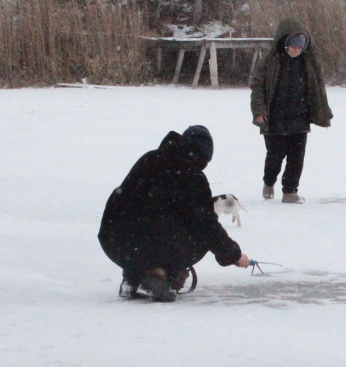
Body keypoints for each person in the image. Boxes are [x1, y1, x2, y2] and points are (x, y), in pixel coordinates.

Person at [98, 125, 251, 302]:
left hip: (114, 241)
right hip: (146, 245)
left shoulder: (149, 158)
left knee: (148, 226)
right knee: (198, 237)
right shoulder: (191, 175)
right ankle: (160, 277)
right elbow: (207, 226)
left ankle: (132, 278)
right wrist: (234, 255)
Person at [249, 18, 333, 203]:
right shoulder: (269, 62)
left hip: (299, 118)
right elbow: (258, 88)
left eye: (300, 46)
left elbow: (318, 90)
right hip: (274, 118)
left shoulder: (309, 64)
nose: (296, 50)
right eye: (292, 46)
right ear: (283, 42)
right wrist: (259, 111)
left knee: (296, 158)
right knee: (275, 156)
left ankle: (290, 191)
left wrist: (322, 112)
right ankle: (269, 181)